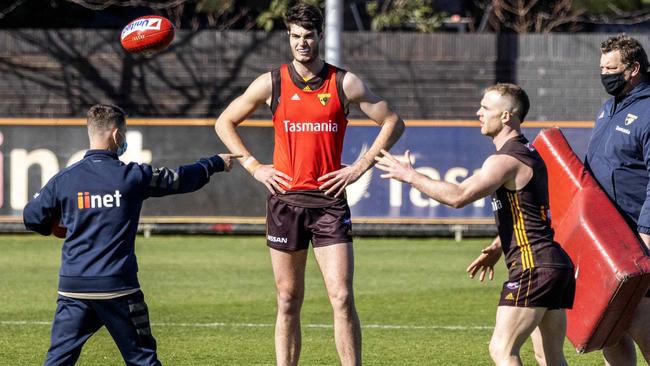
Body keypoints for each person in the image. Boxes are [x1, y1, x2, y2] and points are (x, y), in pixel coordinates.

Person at [215, 3, 404, 365]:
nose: (302, 43)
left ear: (320, 36)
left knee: (342, 297)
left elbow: (393, 122)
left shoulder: (343, 82)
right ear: (289, 37)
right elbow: (225, 122)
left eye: (308, 36)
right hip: (285, 202)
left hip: (330, 203)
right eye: (295, 37)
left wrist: (360, 166)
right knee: (288, 299)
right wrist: (254, 167)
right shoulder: (272, 82)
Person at [375, 83, 575, 366]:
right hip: (553, 265)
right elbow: (530, 212)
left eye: (485, 108)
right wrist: (498, 244)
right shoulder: (528, 152)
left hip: (534, 267)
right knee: (549, 356)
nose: (478, 113)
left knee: (502, 350)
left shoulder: (505, 159)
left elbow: (458, 197)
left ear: (506, 116)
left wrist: (410, 176)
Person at [23, 104, 239, 366]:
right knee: (142, 359)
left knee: (57, 361)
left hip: (74, 288)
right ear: (116, 136)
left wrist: (57, 226)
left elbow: (32, 218)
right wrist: (213, 163)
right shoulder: (131, 176)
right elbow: (180, 179)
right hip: (118, 288)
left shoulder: (64, 180)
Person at [585, 34, 650, 366]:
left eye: (611, 68)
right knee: (610, 328)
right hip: (607, 238)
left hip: (639, 237)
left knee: (641, 317)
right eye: (601, 67)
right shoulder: (608, 108)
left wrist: (647, 231)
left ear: (634, 68)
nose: (604, 74)